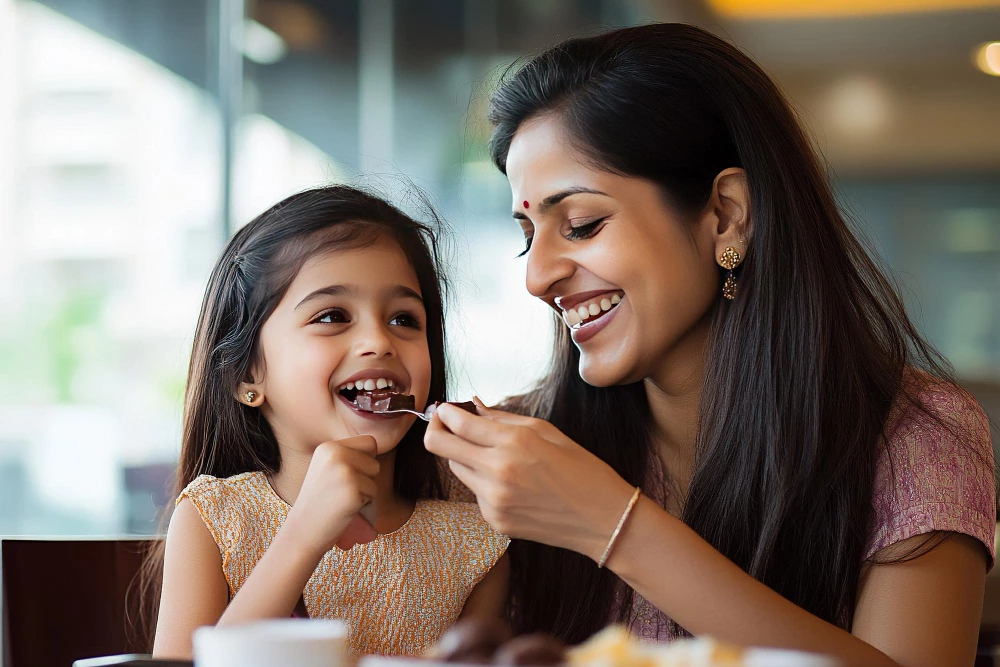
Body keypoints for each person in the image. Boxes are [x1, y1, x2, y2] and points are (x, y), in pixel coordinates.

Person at [425, 23, 995, 667]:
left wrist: (609, 522)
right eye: (529, 234)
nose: (536, 276)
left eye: (581, 225)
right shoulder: (515, 455)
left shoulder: (914, 439)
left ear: (727, 215)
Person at [148, 185, 509, 658]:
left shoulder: (477, 538)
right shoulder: (215, 520)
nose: (379, 341)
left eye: (404, 319)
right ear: (247, 374)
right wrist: (303, 534)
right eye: (333, 315)